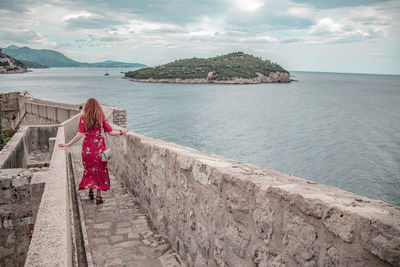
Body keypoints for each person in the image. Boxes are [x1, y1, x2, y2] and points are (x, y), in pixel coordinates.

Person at [58, 98, 129, 204]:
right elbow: (110, 132)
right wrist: (121, 131)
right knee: (99, 171)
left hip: (87, 150)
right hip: (99, 149)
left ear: (86, 107)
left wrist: (67, 144)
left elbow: (80, 134)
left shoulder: (83, 118)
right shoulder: (101, 118)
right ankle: (98, 196)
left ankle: (90, 191)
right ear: (97, 107)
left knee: (89, 170)